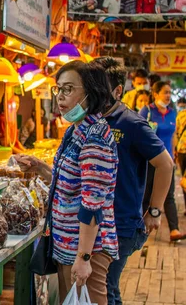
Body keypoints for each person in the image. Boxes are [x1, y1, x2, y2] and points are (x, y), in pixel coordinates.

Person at [92, 58, 173, 305]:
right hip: (96, 221)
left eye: (98, 87)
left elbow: (165, 164)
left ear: (117, 91)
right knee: (103, 285)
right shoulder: (91, 119)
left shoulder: (132, 123)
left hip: (122, 223)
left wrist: (156, 211)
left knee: (106, 285)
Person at [48, 61, 119, 305]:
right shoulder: (75, 131)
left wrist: (84, 257)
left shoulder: (95, 137)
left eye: (68, 89)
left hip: (87, 249)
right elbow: (69, 184)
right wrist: (39, 167)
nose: (60, 96)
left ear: (91, 92)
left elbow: (92, 203)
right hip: (68, 246)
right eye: (57, 89)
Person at [140, 81, 186, 241]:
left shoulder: (172, 112)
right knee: (146, 192)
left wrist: (173, 154)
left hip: (167, 162)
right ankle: (139, 227)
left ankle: (174, 230)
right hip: (150, 159)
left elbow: (173, 136)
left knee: (169, 194)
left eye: (169, 92)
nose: (168, 95)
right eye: (165, 92)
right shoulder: (146, 111)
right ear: (156, 93)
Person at [174, 97, 186, 214]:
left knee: (184, 178)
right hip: (182, 150)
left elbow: (176, 133)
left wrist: (175, 150)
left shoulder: (180, 115)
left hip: (182, 150)